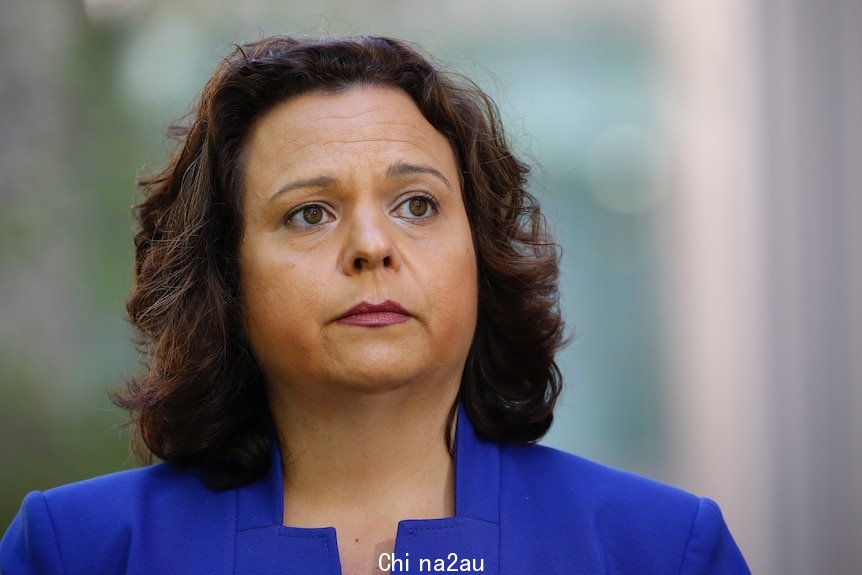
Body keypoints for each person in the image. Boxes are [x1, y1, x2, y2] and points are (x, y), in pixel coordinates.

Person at [0, 35, 749, 574]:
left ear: (481, 254)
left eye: (417, 205)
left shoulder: (659, 548)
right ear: (226, 275)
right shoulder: (78, 548)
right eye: (309, 213)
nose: (372, 245)